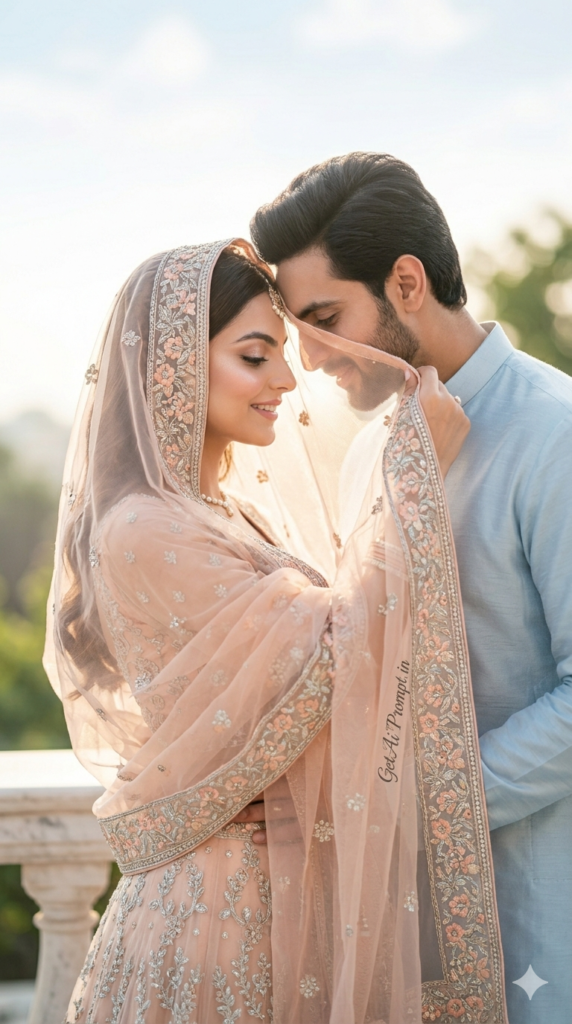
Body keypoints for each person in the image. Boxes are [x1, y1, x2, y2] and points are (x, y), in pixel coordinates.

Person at [44, 237, 501, 1024]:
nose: (287, 382)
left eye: (284, 354)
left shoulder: (216, 513)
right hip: (213, 917)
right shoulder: (141, 530)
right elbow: (327, 663)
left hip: (268, 894)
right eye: (256, 357)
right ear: (173, 365)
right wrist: (414, 478)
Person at [251, 151, 572, 1024]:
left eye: (325, 319)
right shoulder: (369, 454)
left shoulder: (556, 436)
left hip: (543, 912)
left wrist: (420, 803)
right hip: (394, 936)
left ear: (405, 280)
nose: (310, 362)